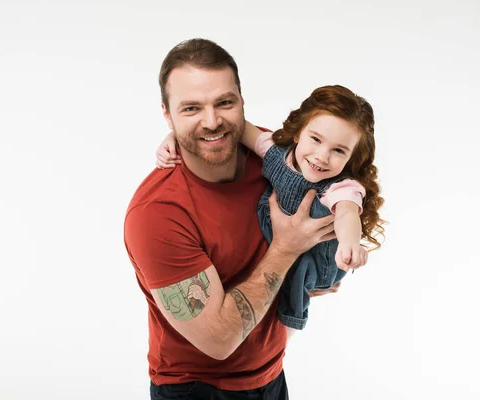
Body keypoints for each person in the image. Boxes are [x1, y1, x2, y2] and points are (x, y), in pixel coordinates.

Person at [124, 38, 340, 399]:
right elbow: (219, 340)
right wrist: (289, 249)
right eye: (191, 108)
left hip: (271, 374)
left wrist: (323, 263)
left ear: (241, 100)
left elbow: (339, 179)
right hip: (196, 389)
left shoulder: (278, 163)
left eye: (224, 102)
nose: (212, 121)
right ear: (167, 114)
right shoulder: (157, 213)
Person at [157, 85, 385, 333]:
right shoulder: (275, 152)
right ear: (298, 133)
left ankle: (290, 315)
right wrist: (177, 137)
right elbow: (236, 128)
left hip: (317, 260)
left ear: (351, 158)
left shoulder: (341, 186)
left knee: (282, 304)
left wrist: (349, 244)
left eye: (338, 151)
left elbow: (347, 213)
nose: (321, 156)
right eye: (316, 139)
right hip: (276, 236)